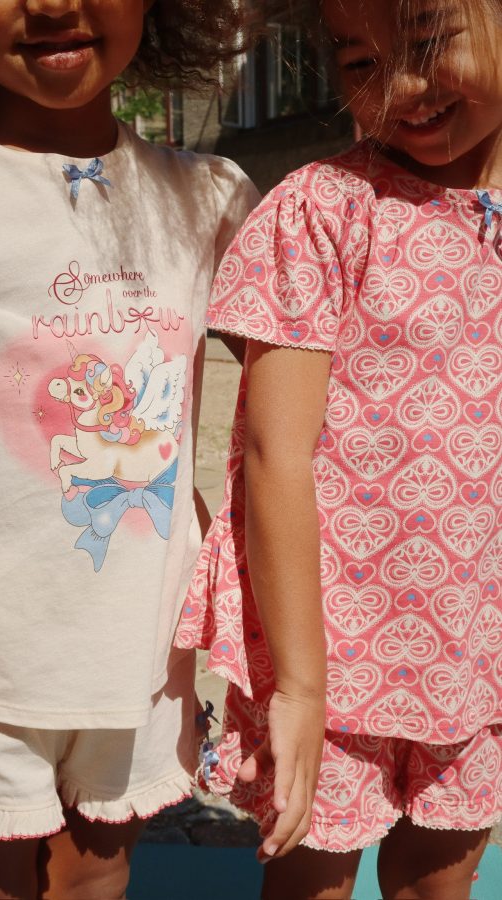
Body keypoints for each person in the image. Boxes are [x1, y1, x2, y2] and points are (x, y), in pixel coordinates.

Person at [0, 1, 260, 897]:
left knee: (99, 880)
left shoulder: (210, 198)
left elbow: (321, 398)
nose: (57, 4)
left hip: (137, 646)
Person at [176, 0, 502, 897]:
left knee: (442, 879)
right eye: (361, 63)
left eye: (428, 42)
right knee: (311, 878)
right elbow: (274, 453)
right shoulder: (325, 211)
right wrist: (302, 689)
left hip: (476, 642)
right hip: (336, 645)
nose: (402, 88)